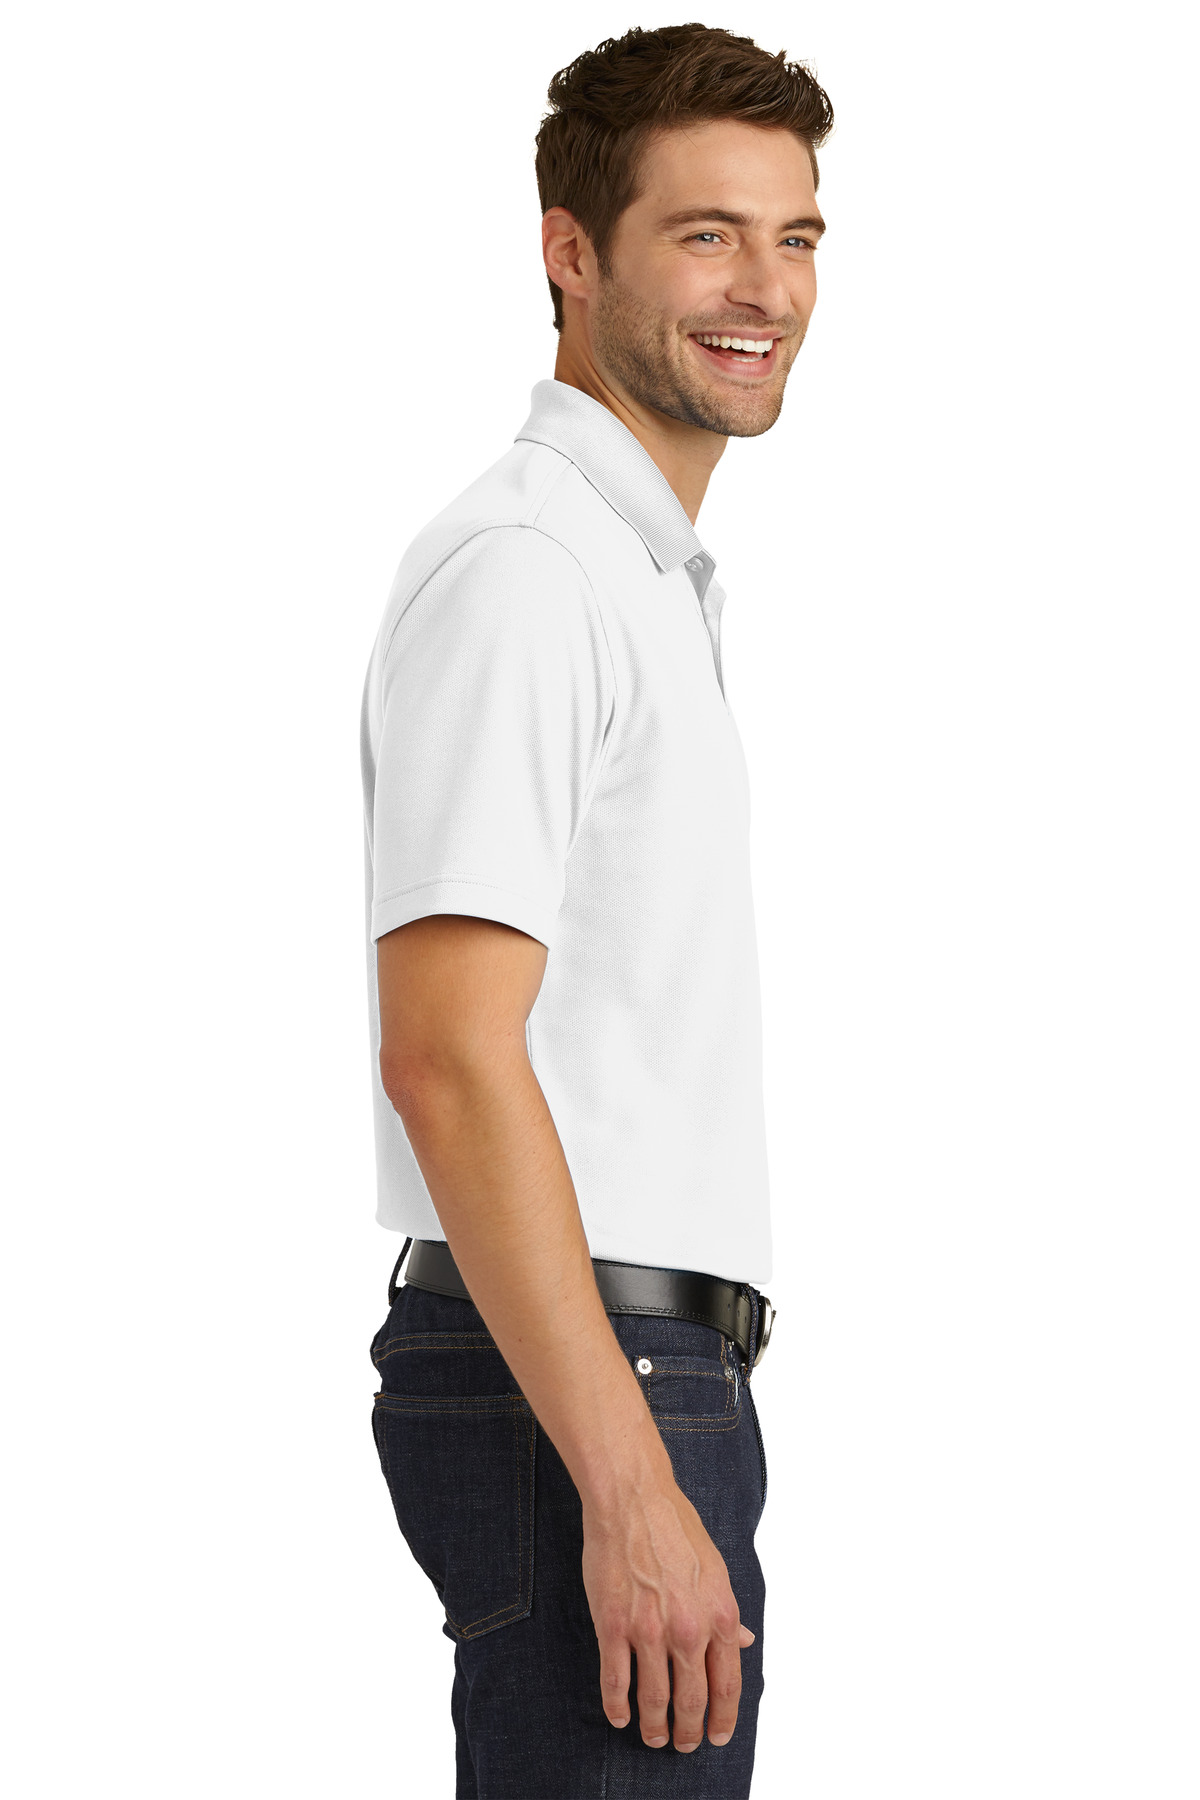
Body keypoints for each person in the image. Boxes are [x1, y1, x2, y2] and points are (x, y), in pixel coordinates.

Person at [360, 23, 833, 1797]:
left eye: (794, 237)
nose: (764, 288)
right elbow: (447, 1056)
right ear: (571, 252)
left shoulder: (629, 573)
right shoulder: (532, 570)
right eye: (706, 234)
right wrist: (628, 1477)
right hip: (585, 1380)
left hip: (622, 1368)